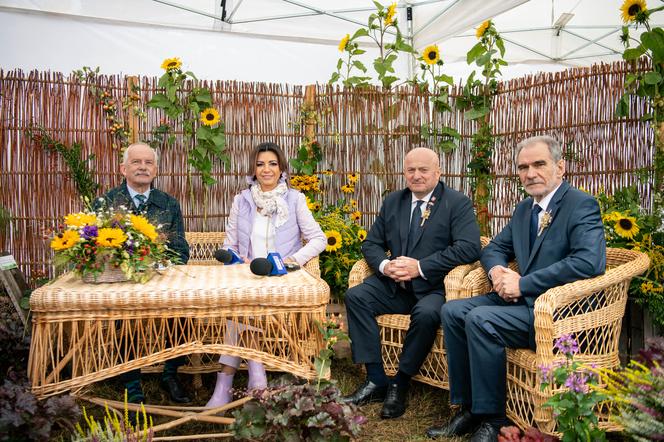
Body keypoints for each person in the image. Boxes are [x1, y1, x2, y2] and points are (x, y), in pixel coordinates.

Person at [426, 135, 606, 441]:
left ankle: (493, 419)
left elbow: (589, 263)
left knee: (480, 319)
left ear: (560, 167)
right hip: (521, 306)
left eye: (539, 164)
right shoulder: (526, 209)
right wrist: (497, 272)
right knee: (452, 310)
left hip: (559, 314)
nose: (530, 173)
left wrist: (523, 283)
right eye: (523, 167)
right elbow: (494, 248)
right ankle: (468, 409)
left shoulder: (581, 205)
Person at [342, 147, 482, 419]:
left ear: (438, 172)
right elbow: (371, 243)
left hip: (434, 287)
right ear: (404, 172)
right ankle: (376, 379)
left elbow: (469, 248)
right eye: (411, 170)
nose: (416, 176)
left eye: (423, 170)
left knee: (428, 313)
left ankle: (400, 381)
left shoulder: (456, 203)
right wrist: (385, 266)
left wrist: (420, 267)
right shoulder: (394, 201)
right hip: (395, 285)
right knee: (356, 296)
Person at [205, 141, 326, 408]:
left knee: (242, 311)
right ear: (253, 168)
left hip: (280, 280)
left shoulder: (294, 200)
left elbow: (319, 239)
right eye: (260, 164)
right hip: (249, 277)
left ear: (282, 168)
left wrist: (290, 260)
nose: (266, 169)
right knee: (244, 306)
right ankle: (256, 377)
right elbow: (230, 244)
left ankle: (226, 383)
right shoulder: (242, 200)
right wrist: (235, 258)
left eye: (272, 163)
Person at [95, 142, 191, 405]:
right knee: (124, 312)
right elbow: (95, 250)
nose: (142, 167)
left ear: (156, 170)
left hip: (161, 281)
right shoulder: (106, 203)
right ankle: (131, 380)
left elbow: (181, 249)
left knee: (184, 309)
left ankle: (171, 373)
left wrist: (161, 267)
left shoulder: (168, 203)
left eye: (148, 163)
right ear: (123, 168)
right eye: (136, 162)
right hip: (122, 283)